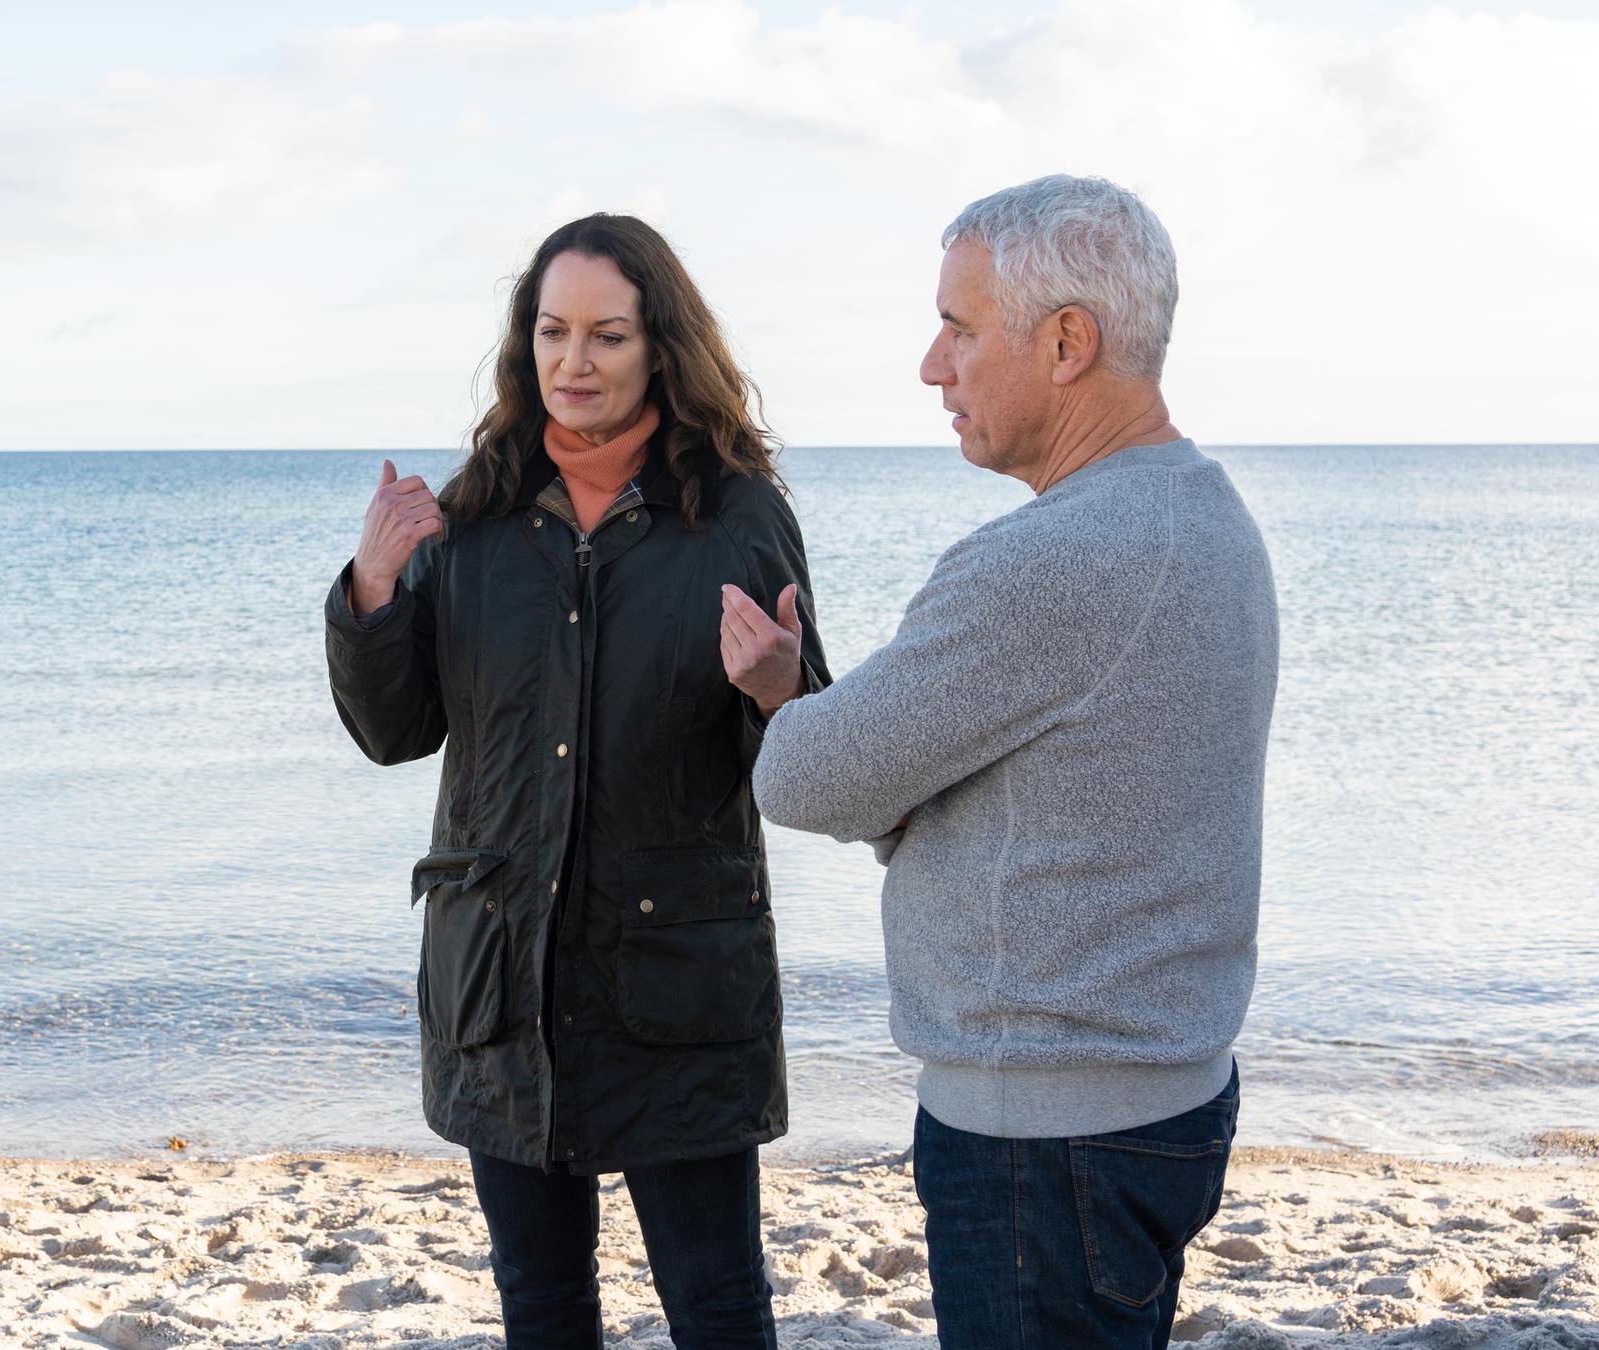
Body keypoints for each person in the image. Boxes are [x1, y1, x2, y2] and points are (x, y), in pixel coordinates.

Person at [753, 175, 1279, 1349]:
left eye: (959, 326)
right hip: (1163, 1100)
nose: (933, 367)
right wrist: (860, 754)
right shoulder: (1209, 514)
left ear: (1066, 343)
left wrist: (791, 706)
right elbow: (1046, 791)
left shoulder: (1052, 559)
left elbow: (802, 782)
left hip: (1047, 1141)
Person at [326, 212, 831, 1348]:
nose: (575, 361)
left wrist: (777, 691)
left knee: (717, 1302)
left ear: (660, 346)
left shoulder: (738, 518)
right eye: (554, 332)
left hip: (678, 988)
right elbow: (393, 730)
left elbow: (807, 766)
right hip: (502, 978)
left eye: (607, 335)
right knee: (541, 1303)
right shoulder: (472, 516)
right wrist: (372, 589)